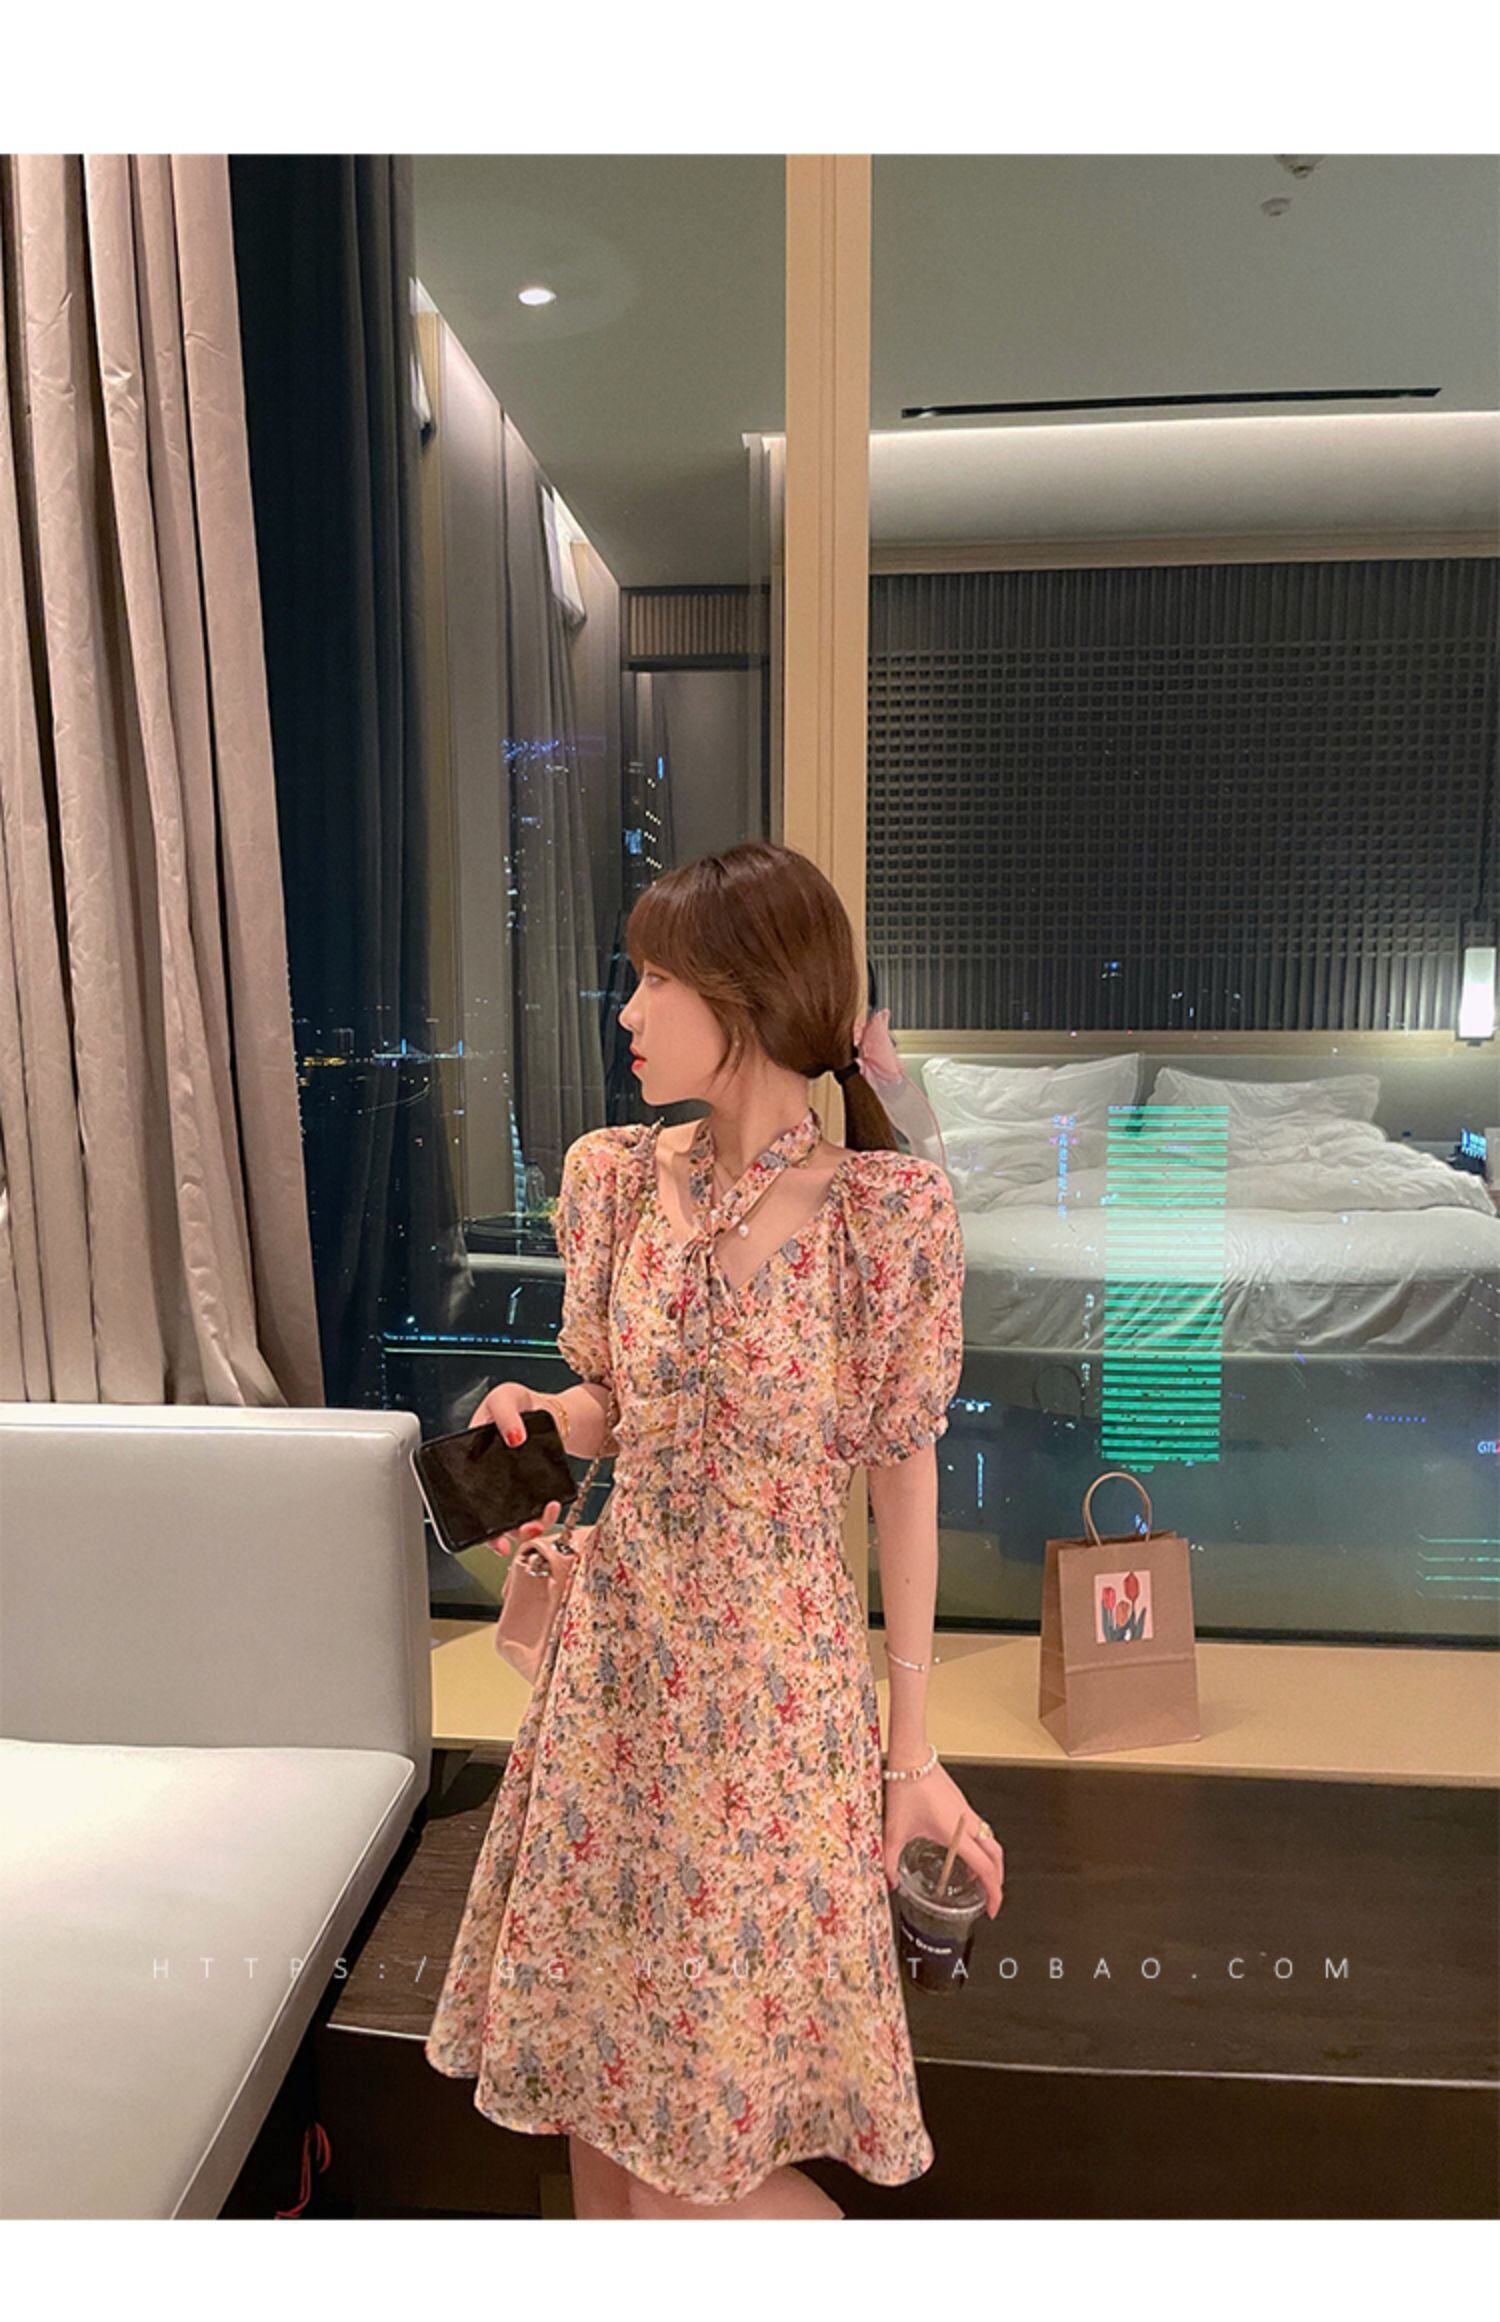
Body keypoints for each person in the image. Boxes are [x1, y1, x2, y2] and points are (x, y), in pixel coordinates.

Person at [424, 841, 1004, 2219]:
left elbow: (903, 1483)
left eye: (656, 979)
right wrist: (544, 1420)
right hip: (613, 1687)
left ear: (746, 995)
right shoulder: (616, 1178)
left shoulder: (882, 1215)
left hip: (770, 1713)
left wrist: (909, 1752)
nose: (626, 1010)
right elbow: (615, 1404)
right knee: (601, 2111)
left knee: (699, 2155)